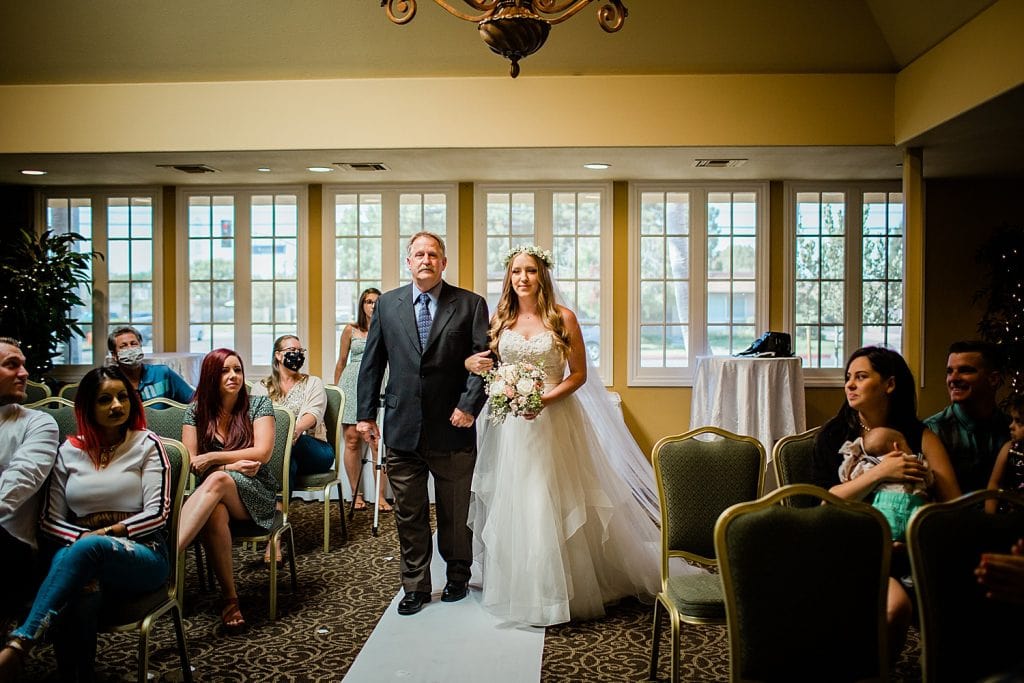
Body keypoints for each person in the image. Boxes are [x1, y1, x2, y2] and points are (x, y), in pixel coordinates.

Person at [464, 245, 666, 627]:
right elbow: (487, 365)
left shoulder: (563, 318)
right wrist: (493, 379)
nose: (522, 278)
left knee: (553, 497)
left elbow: (579, 375)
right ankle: (524, 586)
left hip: (555, 422)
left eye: (530, 271)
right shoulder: (501, 319)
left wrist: (543, 398)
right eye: (516, 272)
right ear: (509, 278)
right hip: (512, 429)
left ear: (543, 275)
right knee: (518, 499)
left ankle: (562, 592)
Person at [0, 366, 171, 682]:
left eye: (123, 397)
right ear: (88, 407)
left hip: (143, 553)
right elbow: (50, 520)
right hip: (81, 551)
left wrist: (102, 535)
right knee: (82, 580)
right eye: (105, 400)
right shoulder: (68, 451)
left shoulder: (147, 443)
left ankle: (21, 642)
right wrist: (87, 541)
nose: (117, 406)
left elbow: (158, 514)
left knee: (82, 552)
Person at [356, 231, 489, 616]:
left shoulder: (469, 305)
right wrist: (365, 415)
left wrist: (468, 407)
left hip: (454, 426)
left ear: (443, 263)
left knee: (454, 512)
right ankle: (414, 585)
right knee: (409, 513)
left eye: (433, 254)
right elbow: (372, 364)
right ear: (408, 261)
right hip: (401, 428)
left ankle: (458, 576)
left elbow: (483, 363)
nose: (426, 260)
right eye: (419, 254)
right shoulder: (387, 305)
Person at [812, 346, 961, 660]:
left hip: (909, 552)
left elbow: (952, 507)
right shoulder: (834, 436)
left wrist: (912, 540)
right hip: (850, 548)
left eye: (861, 377)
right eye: (848, 378)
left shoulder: (921, 436)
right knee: (894, 607)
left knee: (915, 608)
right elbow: (824, 504)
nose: (850, 385)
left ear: (889, 384)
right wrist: (880, 473)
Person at [177, 348, 275, 631]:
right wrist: (230, 467)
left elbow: (262, 453)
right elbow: (190, 462)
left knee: (217, 482)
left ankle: (169, 557)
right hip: (217, 491)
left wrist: (214, 459)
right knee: (215, 514)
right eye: (224, 371)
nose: (233, 376)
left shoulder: (258, 405)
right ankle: (230, 599)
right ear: (211, 376)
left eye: (237, 370)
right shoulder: (195, 411)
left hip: (256, 492)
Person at [252, 334, 335, 561]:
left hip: (315, 449)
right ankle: (277, 535)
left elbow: (312, 415)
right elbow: (254, 420)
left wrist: (293, 431)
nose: (297, 355)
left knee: (287, 450)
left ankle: (272, 533)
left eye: (300, 351)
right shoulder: (261, 388)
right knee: (287, 458)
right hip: (281, 454)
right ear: (278, 355)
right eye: (291, 350)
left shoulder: (312, 383)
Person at [0, 337, 59, 626]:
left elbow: (16, 484)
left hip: (14, 546)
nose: (24, 373)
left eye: (23, 365)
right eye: (12, 365)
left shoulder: (38, 423)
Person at [924, 340, 1009, 493]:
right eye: (950, 371)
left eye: (965, 370)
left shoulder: (1012, 430)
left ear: (993, 379)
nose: (953, 379)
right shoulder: (931, 431)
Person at [334, 288, 391, 512]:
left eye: (377, 302)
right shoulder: (351, 330)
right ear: (362, 305)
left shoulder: (387, 328)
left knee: (377, 442)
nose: (372, 306)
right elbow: (341, 361)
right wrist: (338, 394)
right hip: (350, 385)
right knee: (351, 440)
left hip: (378, 385)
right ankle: (356, 494)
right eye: (368, 302)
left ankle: (380, 497)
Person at [837, 426, 933, 542]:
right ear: (897, 446)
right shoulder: (914, 460)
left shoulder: (869, 464)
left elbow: (851, 476)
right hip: (915, 510)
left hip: (884, 512)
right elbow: (929, 478)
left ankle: (891, 543)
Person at [108, 325, 194, 404]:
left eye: (134, 344)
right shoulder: (110, 382)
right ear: (114, 355)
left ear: (140, 347)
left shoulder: (162, 373)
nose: (130, 349)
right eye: (124, 346)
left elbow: (194, 400)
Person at [985, 394, 1024, 502]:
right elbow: (994, 484)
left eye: (1018, 421)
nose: (1011, 426)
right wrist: (990, 517)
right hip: (1009, 513)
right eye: (1012, 420)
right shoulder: (1008, 448)